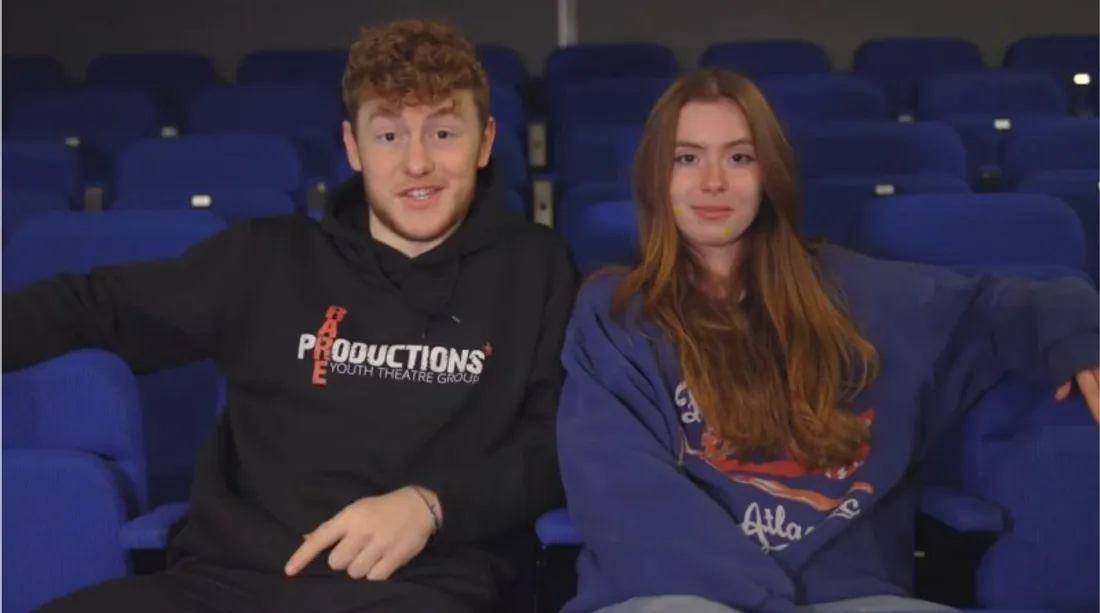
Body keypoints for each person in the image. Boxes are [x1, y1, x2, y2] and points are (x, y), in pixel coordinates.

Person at [5, 19, 577, 613]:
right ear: (353, 147)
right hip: (226, 582)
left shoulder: (535, 270)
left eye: (442, 132)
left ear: (484, 142)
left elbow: (556, 445)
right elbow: (96, 306)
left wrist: (432, 506)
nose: (417, 164)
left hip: (423, 586)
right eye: (388, 136)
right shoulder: (267, 257)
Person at [555, 68, 1099, 613]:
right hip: (676, 593)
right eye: (687, 158)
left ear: (770, 174)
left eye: (739, 157)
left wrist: (1076, 336)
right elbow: (625, 499)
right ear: (656, 177)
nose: (713, 181)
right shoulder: (615, 314)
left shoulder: (861, 293)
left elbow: (996, 306)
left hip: (851, 596)